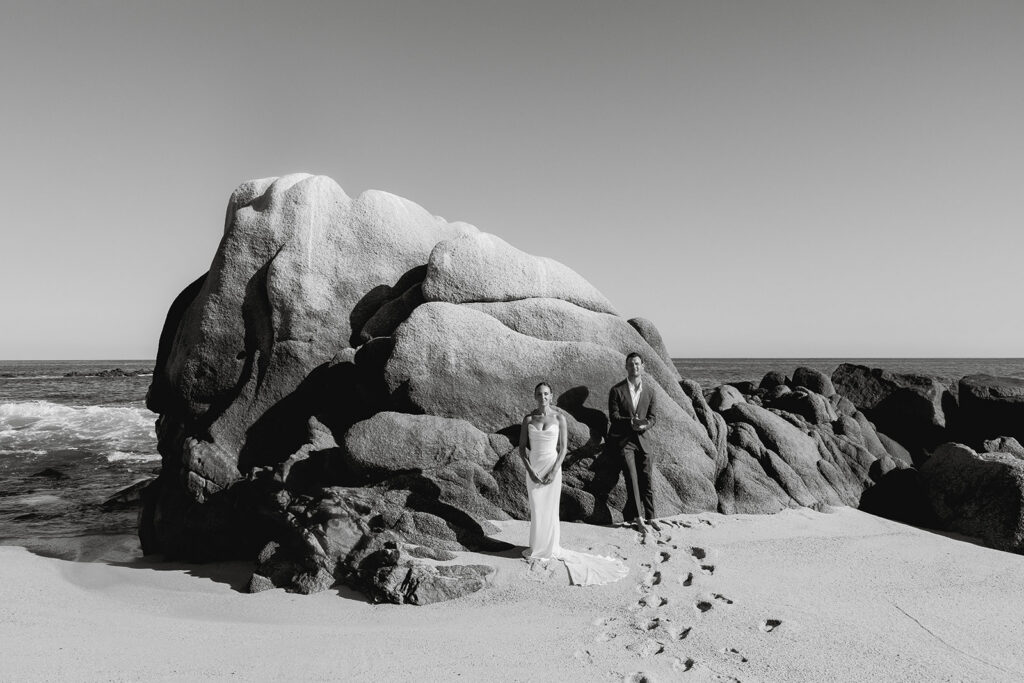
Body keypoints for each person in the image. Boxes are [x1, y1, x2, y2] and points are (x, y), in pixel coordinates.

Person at [519, 381, 628, 586]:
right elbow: (522, 449)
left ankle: (549, 548)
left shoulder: (559, 418)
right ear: (535, 396)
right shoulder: (528, 419)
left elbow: (562, 449)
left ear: (551, 396)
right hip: (534, 468)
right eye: (539, 394)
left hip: (552, 467)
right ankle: (536, 547)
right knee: (536, 508)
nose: (542, 397)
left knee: (550, 509)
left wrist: (553, 470)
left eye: (546, 394)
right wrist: (530, 470)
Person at [608, 352, 661, 535]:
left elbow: (653, 417)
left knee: (646, 478)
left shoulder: (650, 391)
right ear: (626, 367)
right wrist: (629, 422)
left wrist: (647, 423)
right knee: (632, 479)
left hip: (644, 440)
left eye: (637, 364)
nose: (634, 367)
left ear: (643, 366)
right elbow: (613, 417)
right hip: (625, 442)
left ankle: (651, 516)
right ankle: (638, 518)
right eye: (631, 364)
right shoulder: (617, 390)